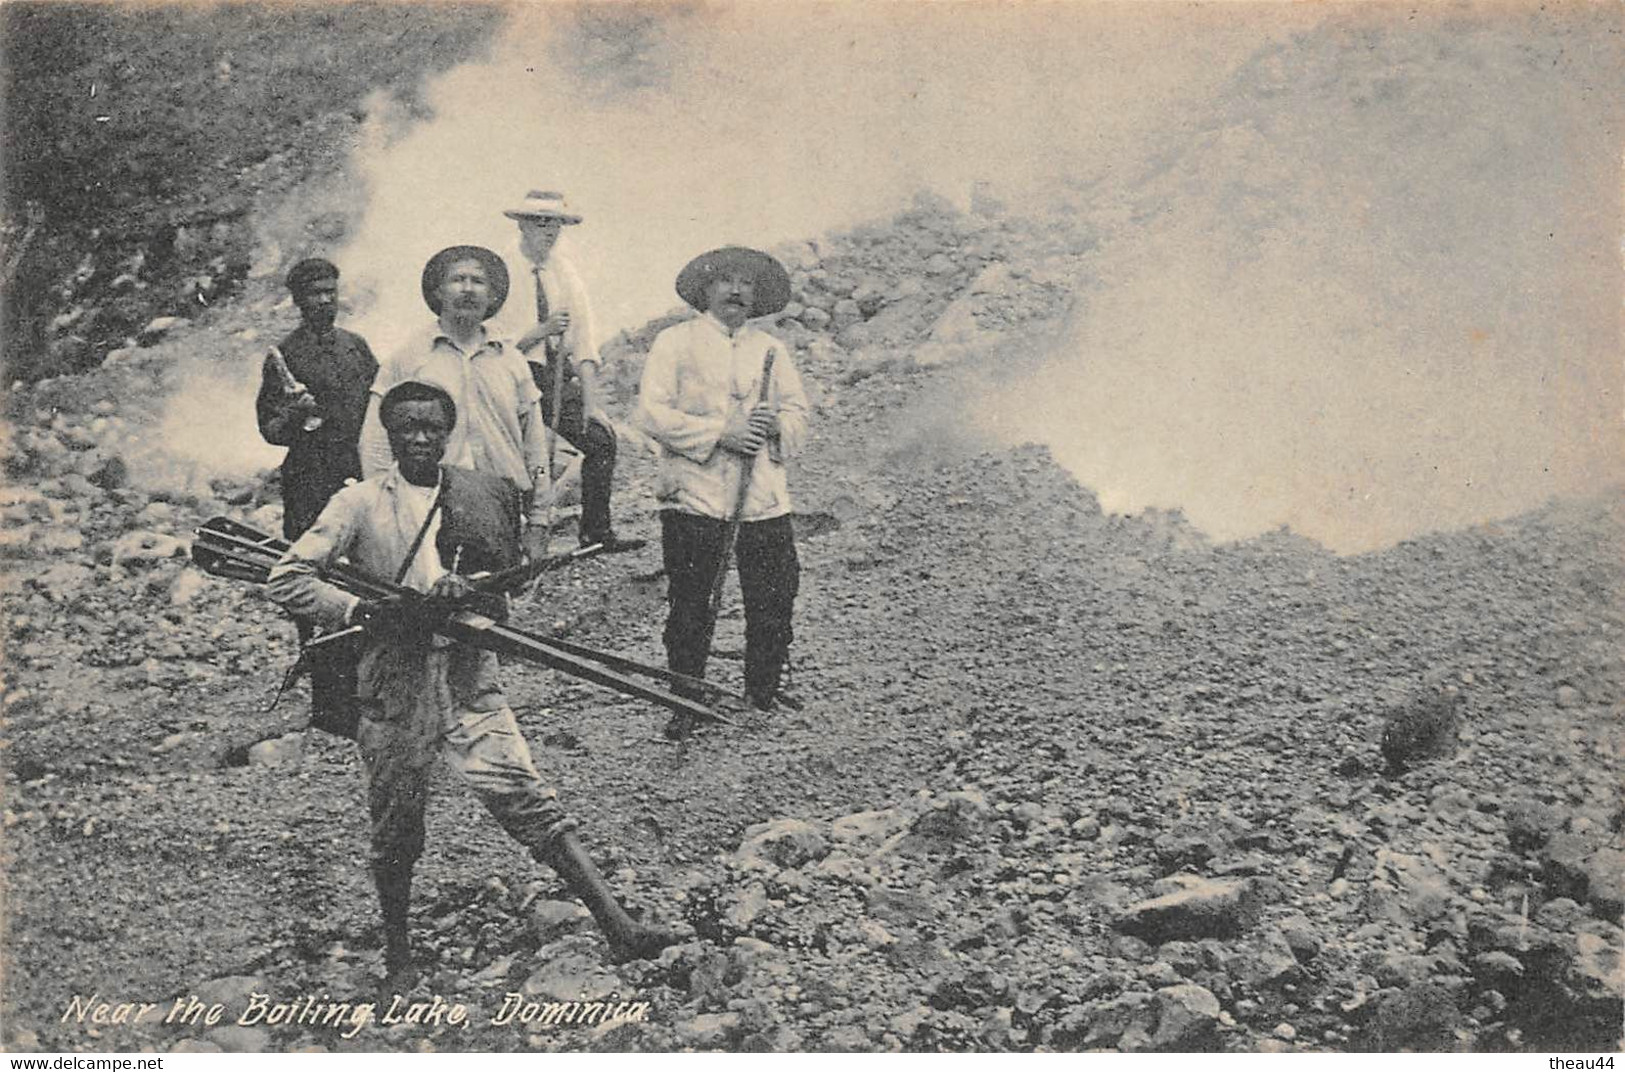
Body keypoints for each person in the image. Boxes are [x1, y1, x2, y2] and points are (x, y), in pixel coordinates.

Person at [267, 380, 680, 988]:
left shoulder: (475, 492)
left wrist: (475, 592)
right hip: (395, 681)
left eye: (432, 425)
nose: (419, 436)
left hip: (466, 673)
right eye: (406, 425)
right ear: (388, 432)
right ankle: (399, 957)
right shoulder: (358, 504)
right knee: (397, 821)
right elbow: (288, 577)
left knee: (525, 794)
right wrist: (361, 612)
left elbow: (505, 593)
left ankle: (620, 927)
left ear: (447, 431)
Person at [635, 247, 809, 725]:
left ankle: (762, 691)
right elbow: (651, 413)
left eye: (746, 284)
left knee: (773, 595)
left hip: (762, 497)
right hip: (695, 494)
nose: (736, 291)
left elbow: (797, 410)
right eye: (725, 281)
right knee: (692, 600)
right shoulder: (675, 342)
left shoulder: (771, 350)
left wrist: (776, 425)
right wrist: (719, 434)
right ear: (705, 290)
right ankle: (687, 697)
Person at [358, 245, 553, 562]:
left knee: (493, 602)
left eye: (478, 281)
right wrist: (384, 511)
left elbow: (535, 446)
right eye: (457, 279)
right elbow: (375, 442)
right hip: (429, 508)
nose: (467, 289)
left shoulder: (512, 360)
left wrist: (539, 521)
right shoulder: (409, 358)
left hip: (500, 504)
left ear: (492, 296)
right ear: (438, 292)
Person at [255, 257, 378, 737]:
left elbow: (380, 405)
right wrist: (292, 412)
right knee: (314, 587)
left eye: (331, 291)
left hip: (356, 476)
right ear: (298, 300)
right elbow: (270, 432)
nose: (325, 300)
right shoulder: (283, 356)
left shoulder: (356, 348)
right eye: (314, 293)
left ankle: (371, 694)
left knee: (368, 582)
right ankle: (330, 709)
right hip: (309, 484)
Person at [499, 190, 644, 554]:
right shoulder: (500, 271)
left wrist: (592, 404)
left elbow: (584, 343)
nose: (550, 232)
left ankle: (595, 533)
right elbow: (493, 345)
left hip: (554, 380)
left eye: (556, 224)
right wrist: (540, 332)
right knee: (513, 459)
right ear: (522, 225)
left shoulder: (564, 274)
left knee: (600, 441)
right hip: (508, 377)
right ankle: (509, 545)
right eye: (541, 223)